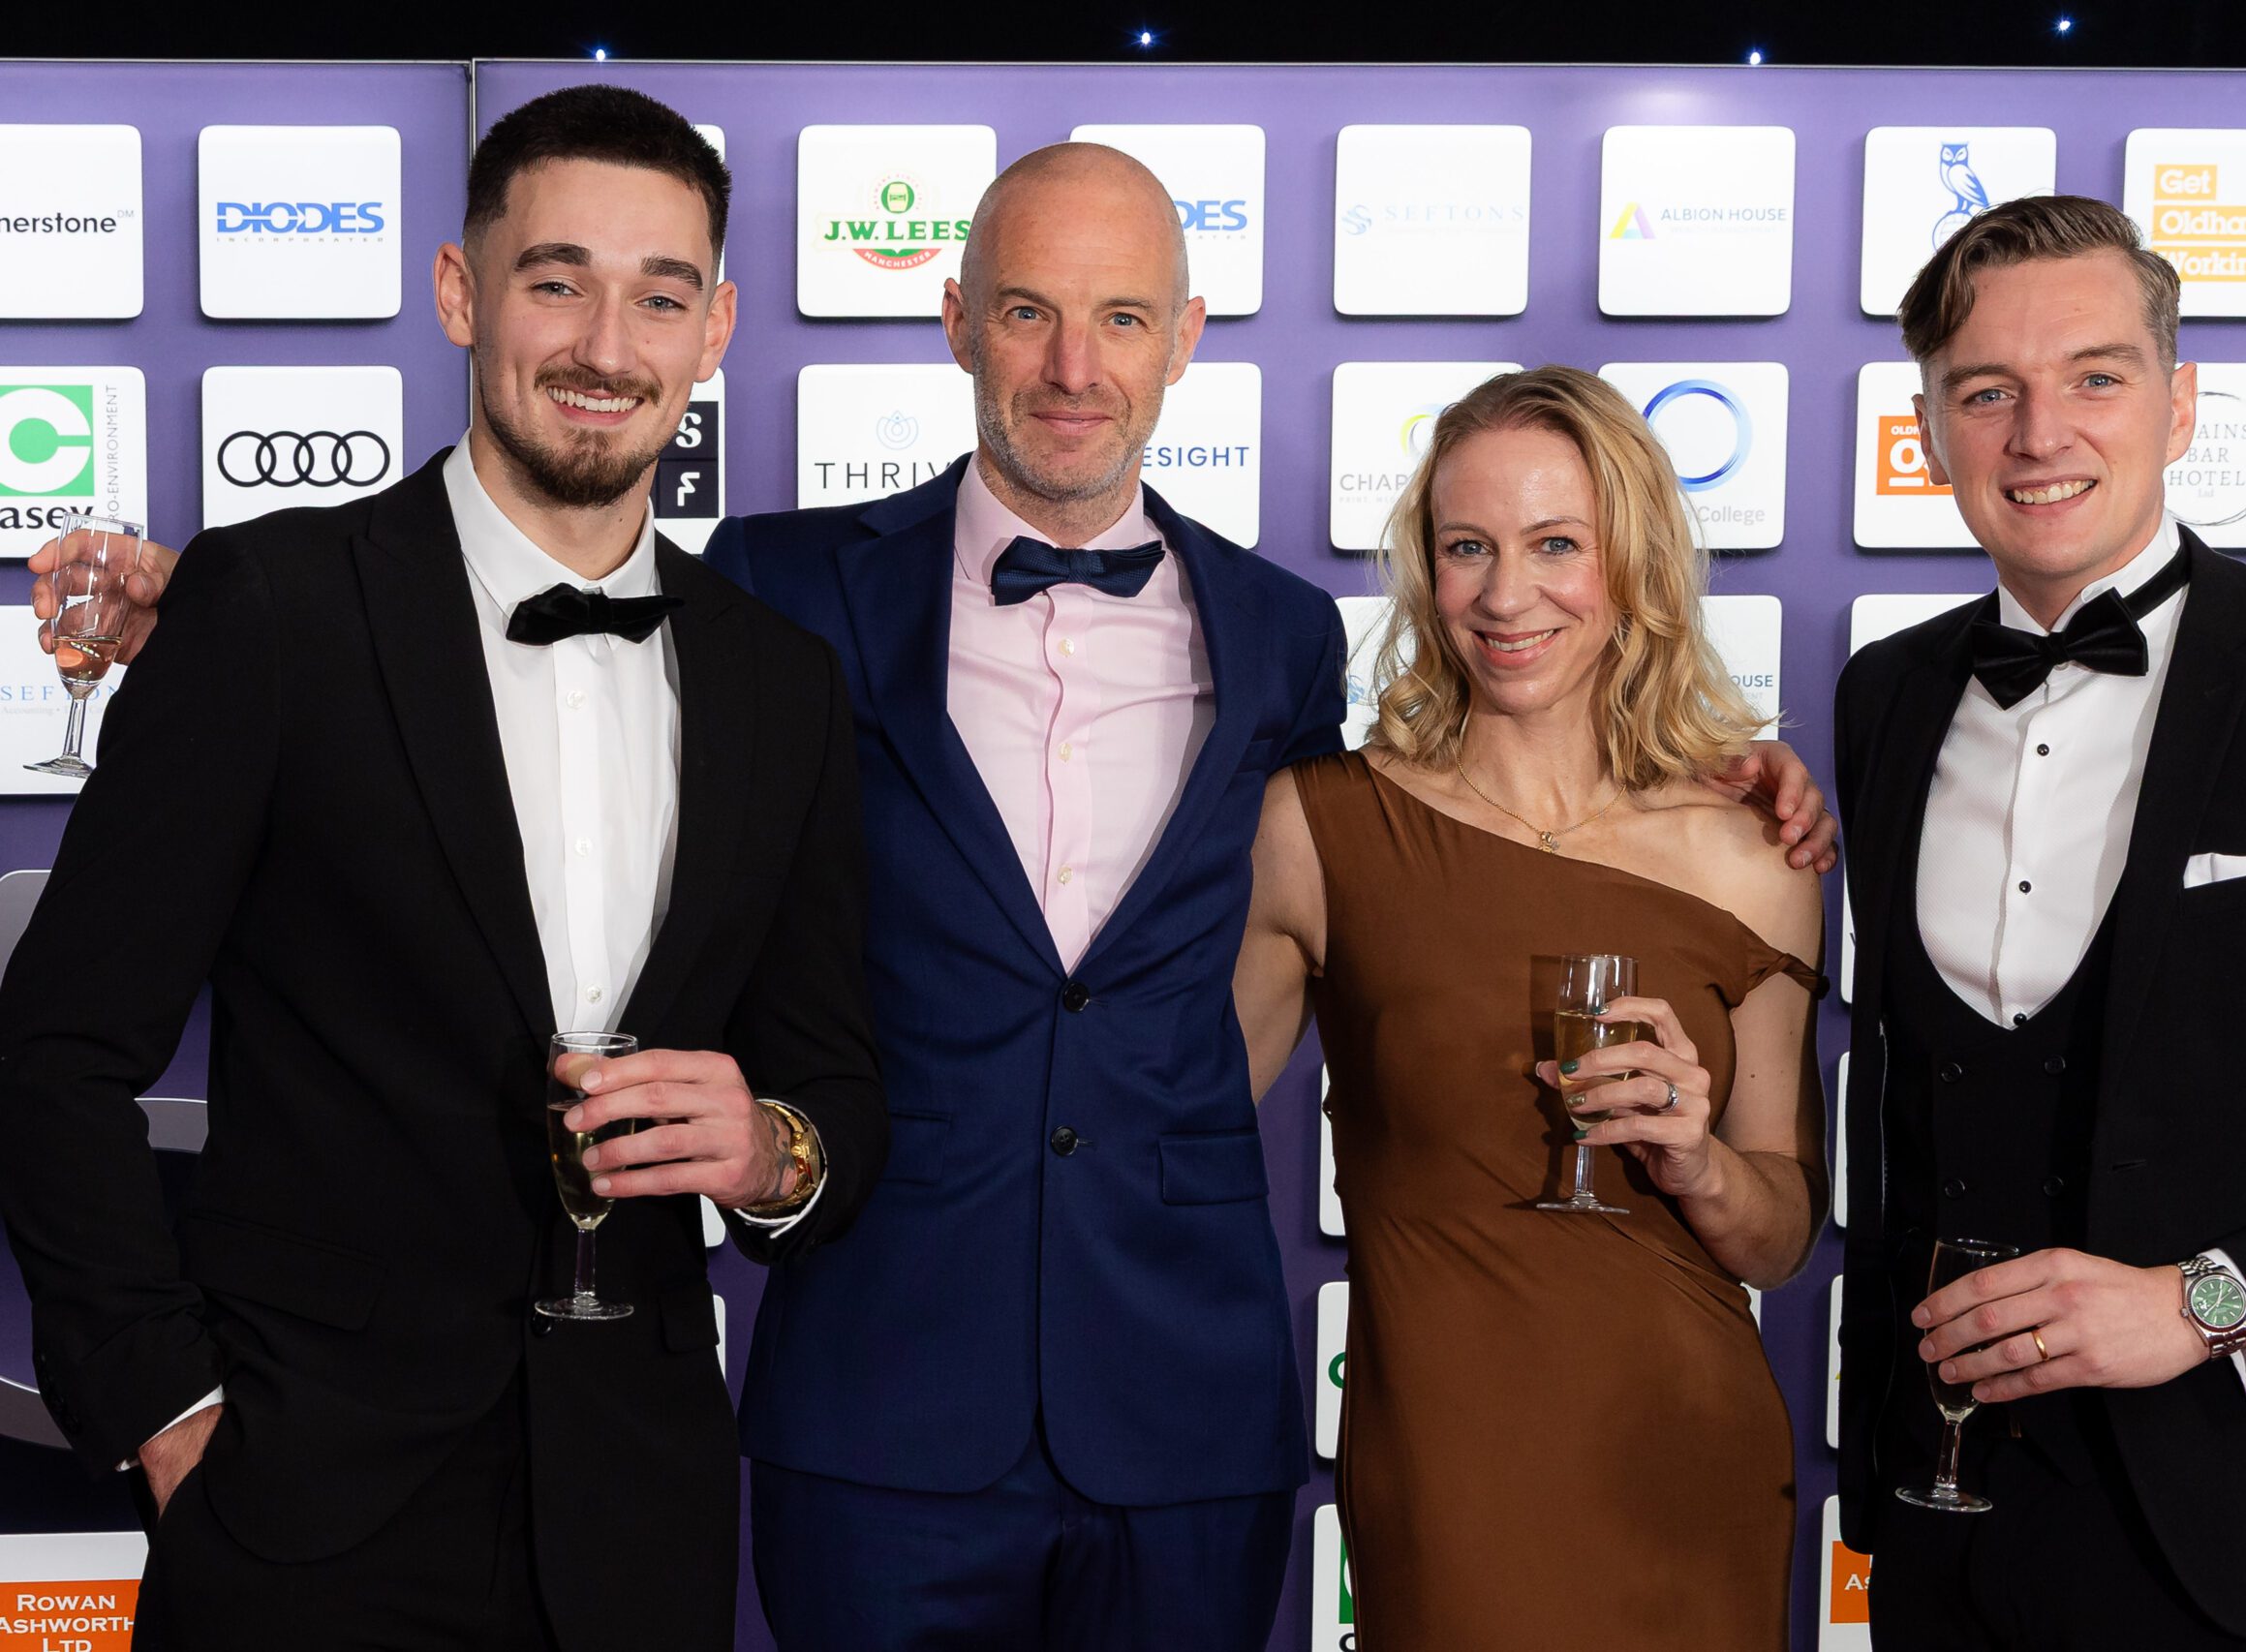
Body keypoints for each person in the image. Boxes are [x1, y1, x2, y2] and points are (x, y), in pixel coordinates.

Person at [706, 153, 1837, 1648]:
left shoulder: (1281, 637)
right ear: (958, 319)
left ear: (1184, 338)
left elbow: (1246, 995)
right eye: (1030, 311)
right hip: (882, 1392)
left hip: (1186, 1413)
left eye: (1123, 316)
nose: (1074, 366)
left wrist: (1721, 772)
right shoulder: (779, 584)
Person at [0, 84, 885, 1652]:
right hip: (299, 1512)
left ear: (717, 327)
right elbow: (54, 1051)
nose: (606, 344)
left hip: (640, 1517)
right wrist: (169, 1413)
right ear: (462, 293)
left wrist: (773, 1152)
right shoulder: (272, 608)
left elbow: (834, 1079)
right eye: (557, 280)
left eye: (659, 294)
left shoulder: (783, 682)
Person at [1835, 193, 2246, 1651]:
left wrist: (2205, 1303)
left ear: (2179, 405)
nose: (2038, 434)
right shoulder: (1887, 696)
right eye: (1985, 392)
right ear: (1927, 431)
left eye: (2095, 377)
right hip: (1941, 1515)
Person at [1237, 364, 1830, 1649]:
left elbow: (1782, 1237)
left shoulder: (1757, 851)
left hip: (1685, 1465)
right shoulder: (1320, 830)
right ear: (1426, 568)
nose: (1508, 595)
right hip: (1449, 1476)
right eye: (1469, 547)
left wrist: (1700, 1161)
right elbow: (1175, 1123)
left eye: (1557, 543)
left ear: (1632, 561)